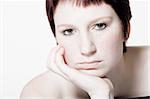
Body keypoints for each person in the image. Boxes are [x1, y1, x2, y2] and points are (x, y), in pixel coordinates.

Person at [20, 0, 150, 99]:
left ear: (126, 28)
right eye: (69, 31)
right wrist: (100, 93)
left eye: (100, 26)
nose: (86, 49)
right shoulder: (40, 94)